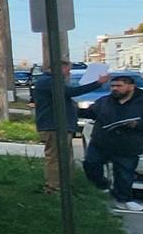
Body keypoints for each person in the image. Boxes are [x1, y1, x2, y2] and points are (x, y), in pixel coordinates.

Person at [82, 74, 143, 211]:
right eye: (113, 86)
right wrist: (73, 109)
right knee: (91, 163)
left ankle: (123, 199)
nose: (115, 89)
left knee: (125, 173)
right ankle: (102, 185)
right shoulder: (104, 101)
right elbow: (90, 113)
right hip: (102, 142)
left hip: (129, 144)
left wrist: (137, 124)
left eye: (119, 86)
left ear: (131, 87)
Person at [31, 62, 101, 192]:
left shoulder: (52, 82)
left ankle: (65, 186)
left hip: (61, 126)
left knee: (64, 157)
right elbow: (71, 92)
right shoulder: (48, 81)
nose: (68, 73)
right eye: (67, 70)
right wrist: (97, 83)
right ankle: (53, 186)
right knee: (55, 157)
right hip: (54, 126)